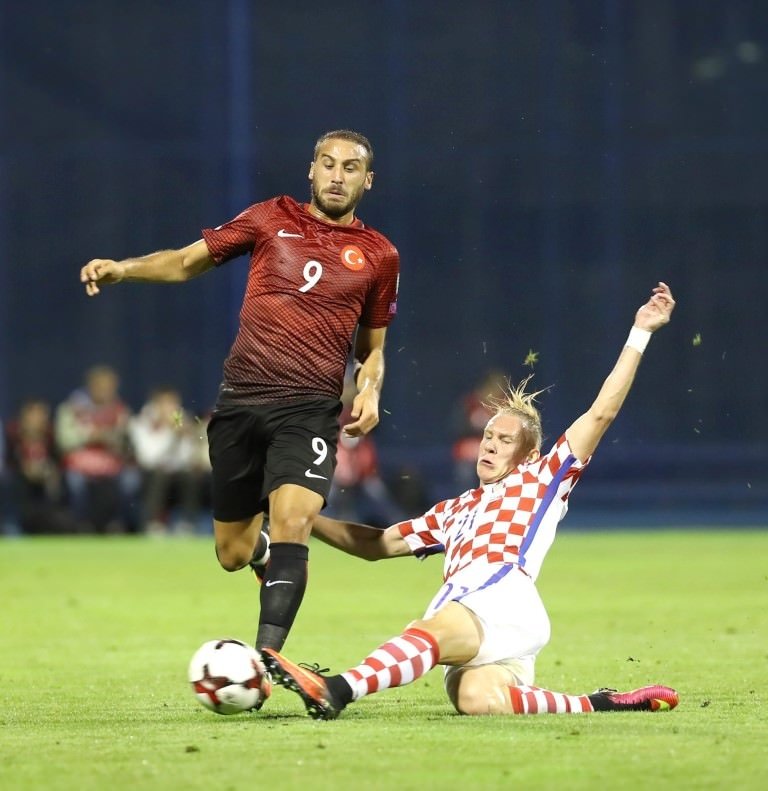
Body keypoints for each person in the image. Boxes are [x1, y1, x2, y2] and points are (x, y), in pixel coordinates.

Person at [262, 282, 679, 719]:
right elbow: (377, 544)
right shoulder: (452, 510)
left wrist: (640, 332)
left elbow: (601, 412)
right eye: (487, 436)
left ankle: (338, 689)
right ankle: (599, 703)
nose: (490, 446)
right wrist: (304, 519)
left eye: (504, 440)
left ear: (528, 454)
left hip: (501, 593)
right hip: (474, 606)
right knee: (478, 699)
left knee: (429, 632)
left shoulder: (542, 476)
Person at [80, 130, 400, 654]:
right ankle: (261, 552)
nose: (336, 176)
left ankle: (266, 658)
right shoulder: (271, 218)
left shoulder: (379, 254)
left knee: (295, 520)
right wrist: (124, 270)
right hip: (240, 405)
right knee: (232, 552)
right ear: (310, 170)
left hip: (310, 410)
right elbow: (186, 262)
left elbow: (373, 349)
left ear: (368, 180)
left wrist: (368, 388)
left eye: (349, 167)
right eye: (327, 163)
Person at [55, 365, 139, 533]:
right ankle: (80, 525)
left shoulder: (121, 411)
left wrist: (115, 439)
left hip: (112, 464)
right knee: (75, 482)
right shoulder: (72, 409)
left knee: (130, 480)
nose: (104, 391)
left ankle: (117, 525)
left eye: (108, 387)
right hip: (79, 465)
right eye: (99, 386)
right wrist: (89, 437)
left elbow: (130, 446)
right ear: (90, 386)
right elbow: (63, 441)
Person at [128, 386, 204, 535]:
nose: (170, 409)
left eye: (173, 404)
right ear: (155, 405)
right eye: (165, 404)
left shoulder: (182, 421)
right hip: (151, 474)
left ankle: (187, 523)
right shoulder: (141, 423)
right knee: (159, 476)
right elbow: (148, 459)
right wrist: (170, 434)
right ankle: (152, 523)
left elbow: (186, 460)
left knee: (190, 476)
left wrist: (183, 437)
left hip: (177, 473)